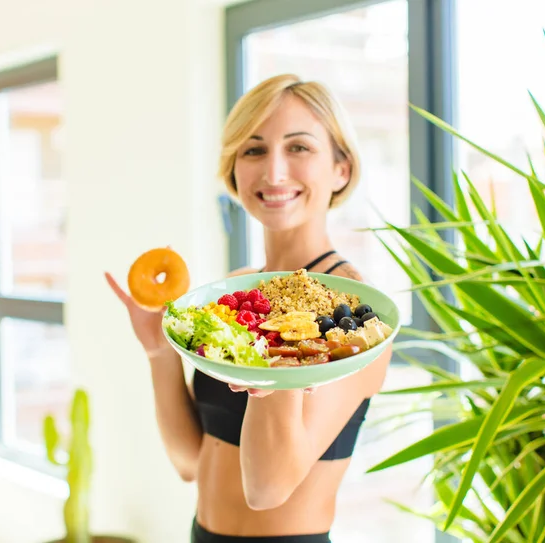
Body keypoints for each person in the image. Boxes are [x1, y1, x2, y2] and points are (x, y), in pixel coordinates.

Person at [105, 74, 393, 543]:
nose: (274, 173)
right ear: (233, 169)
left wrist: (271, 367)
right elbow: (189, 463)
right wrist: (159, 352)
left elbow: (267, 488)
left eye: (298, 148)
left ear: (341, 168)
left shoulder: (356, 318)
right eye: (254, 150)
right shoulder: (234, 294)